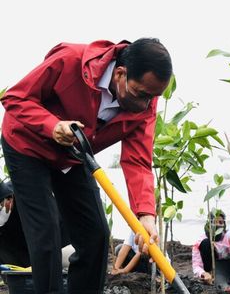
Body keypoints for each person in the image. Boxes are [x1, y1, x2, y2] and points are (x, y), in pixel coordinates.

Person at [1, 38, 172, 293]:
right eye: (141, 95)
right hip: (27, 146)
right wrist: (52, 125)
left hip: (71, 155)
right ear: (120, 74)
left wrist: (145, 215)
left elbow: (137, 160)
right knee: (46, 235)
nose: (146, 105)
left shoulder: (145, 101)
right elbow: (15, 98)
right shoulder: (70, 61)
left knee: (96, 236)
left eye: (153, 97)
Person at [192, 209, 230, 285]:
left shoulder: (228, 235)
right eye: (214, 222)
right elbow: (196, 266)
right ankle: (211, 276)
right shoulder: (199, 241)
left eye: (220, 222)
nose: (217, 225)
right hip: (211, 269)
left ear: (224, 224)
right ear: (208, 224)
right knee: (206, 243)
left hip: (229, 267)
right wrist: (203, 273)